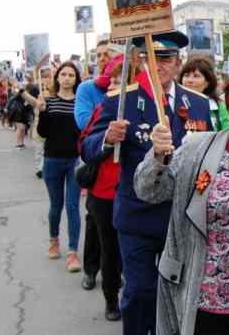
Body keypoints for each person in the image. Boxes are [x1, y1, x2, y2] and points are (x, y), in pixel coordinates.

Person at [134, 71, 229, 335]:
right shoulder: (197, 148)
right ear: (227, 109)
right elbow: (148, 191)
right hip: (209, 298)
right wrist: (158, 157)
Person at [81, 31, 212, 335]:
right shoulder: (120, 102)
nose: (159, 65)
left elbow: (209, 157)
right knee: (140, 292)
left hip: (181, 219)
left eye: (165, 58)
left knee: (180, 296)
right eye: (152, 58)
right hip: (137, 216)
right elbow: (87, 149)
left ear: (178, 63)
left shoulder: (200, 104)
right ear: (140, 61)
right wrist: (107, 138)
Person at [77, 57, 133, 322]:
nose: (114, 85)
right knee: (109, 249)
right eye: (111, 80)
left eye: (121, 80)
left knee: (132, 251)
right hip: (105, 192)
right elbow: (85, 144)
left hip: (137, 192)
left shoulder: (148, 105)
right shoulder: (105, 107)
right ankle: (111, 299)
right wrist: (108, 140)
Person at [75, 38, 123, 291]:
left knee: (116, 237)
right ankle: (91, 270)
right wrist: (107, 125)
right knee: (96, 227)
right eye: (100, 54)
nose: (103, 58)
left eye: (108, 53)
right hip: (99, 175)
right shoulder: (89, 89)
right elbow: (84, 124)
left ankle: (113, 275)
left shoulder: (133, 92)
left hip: (122, 182)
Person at [36, 62, 83, 272]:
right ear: (57, 78)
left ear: (76, 79)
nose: (66, 78)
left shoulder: (80, 102)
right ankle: (54, 240)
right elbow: (43, 133)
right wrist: (43, 112)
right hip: (52, 160)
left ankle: (73, 253)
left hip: (75, 160)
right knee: (56, 205)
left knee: (73, 206)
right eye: (63, 74)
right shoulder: (50, 102)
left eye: (70, 75)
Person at [179, 56, 228, 131]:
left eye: (196, 76)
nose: (189, 80)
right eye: (186, 75)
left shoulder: (219, 108)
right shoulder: (174, 103)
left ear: (207, 83)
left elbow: (227, 135)